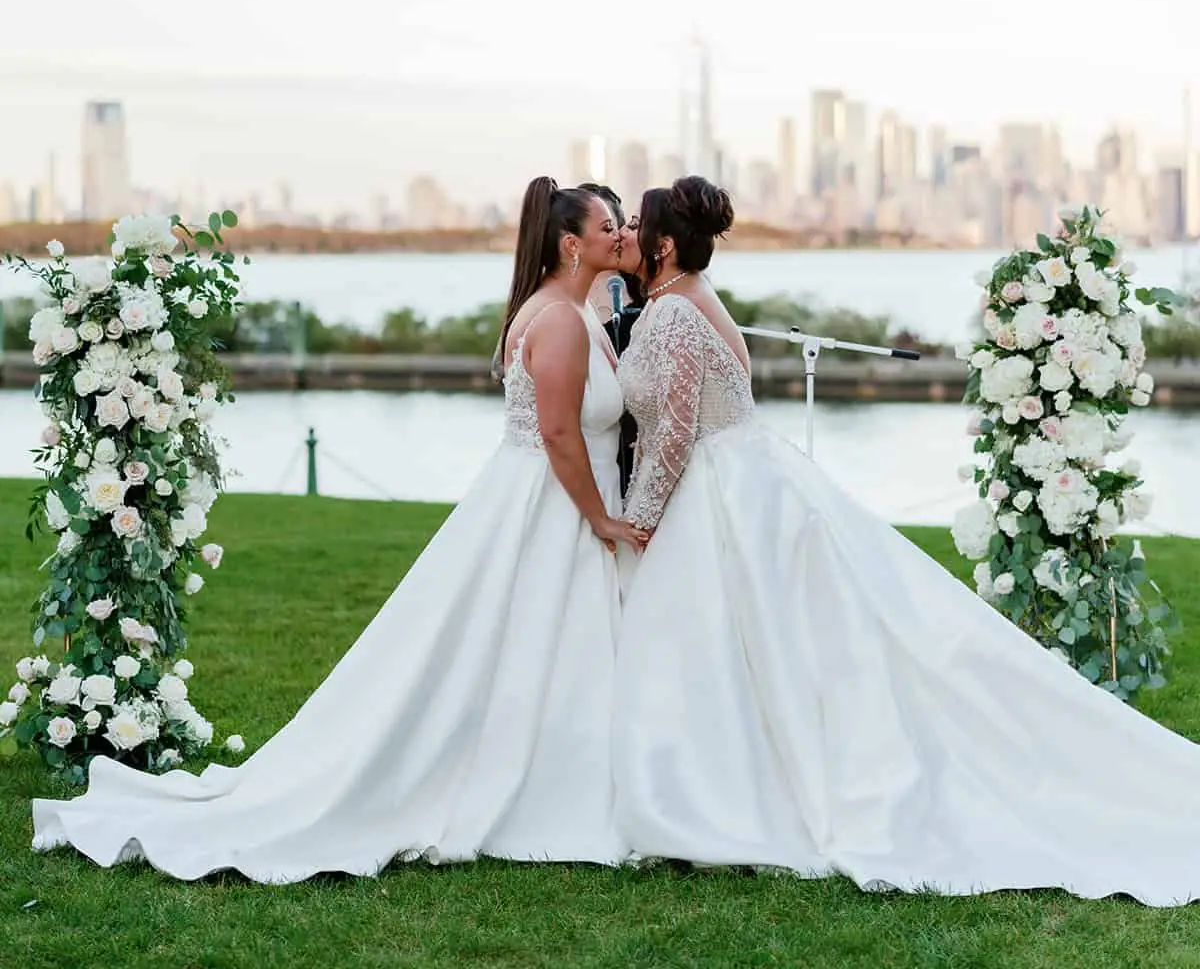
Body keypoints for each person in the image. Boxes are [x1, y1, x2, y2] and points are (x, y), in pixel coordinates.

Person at [31, 177, 646, 883]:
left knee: (531, 645)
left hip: (538, 495)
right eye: (608, 226)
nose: (620, 233)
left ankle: (555, 768)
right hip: (554, 502)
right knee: (524, 640)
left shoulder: (570, 306)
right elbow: (561, 433)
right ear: (570, 244)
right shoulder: (559, 318)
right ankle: (540, 785)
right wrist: (600, 516)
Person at [611, 174, 1200, 907]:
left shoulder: (673, 313)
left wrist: (637, 518)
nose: (626, 233)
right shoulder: (693, 296)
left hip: (719, 486)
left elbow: (673, 431)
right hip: (744, 474)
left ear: (664, 244)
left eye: (635, 224)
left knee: (743, 638)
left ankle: (718, 789)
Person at [577, 182, 645, 496]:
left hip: (633, 442)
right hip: (585, 438)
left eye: (611, 227)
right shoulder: (560, 297)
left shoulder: (643, 295)